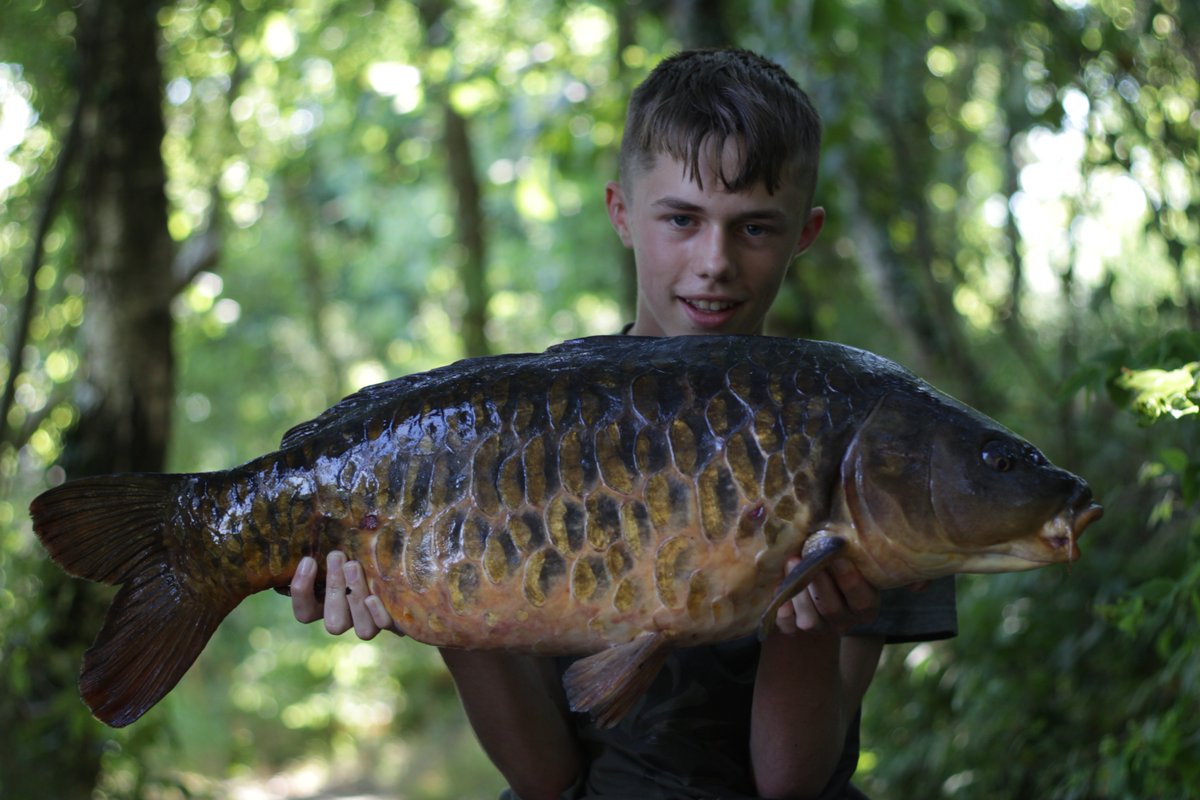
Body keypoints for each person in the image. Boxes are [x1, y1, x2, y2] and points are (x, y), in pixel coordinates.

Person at [289, 48, 956, 799]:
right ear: (621, 213)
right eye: (682, 219)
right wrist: (440, 606)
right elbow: (547, 779)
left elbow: (789, 784)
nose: (715, 261)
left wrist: (812, 624)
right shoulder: (537, 435)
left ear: (806, 231)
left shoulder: (869, 452)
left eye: (755, 229)